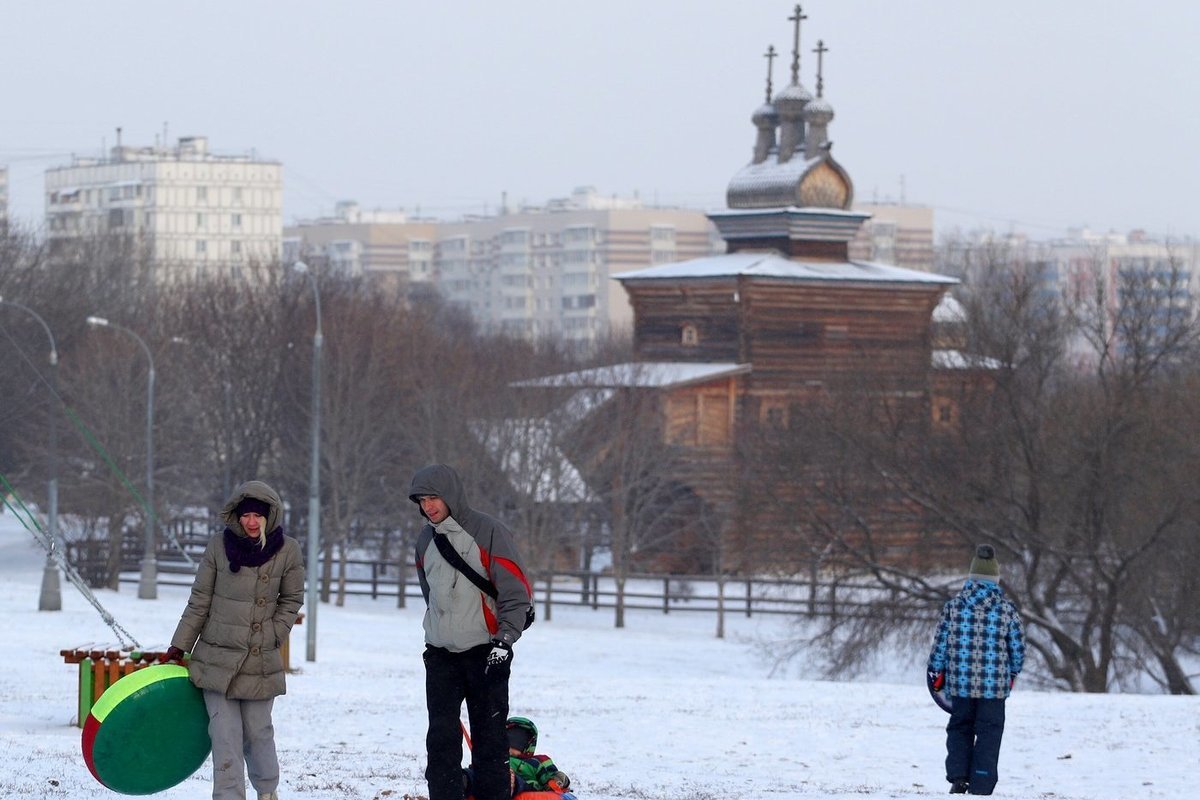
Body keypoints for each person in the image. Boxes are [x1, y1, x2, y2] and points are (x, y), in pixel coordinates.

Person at [161, 480, 305, 800]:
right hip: (216, 658)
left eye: (258, 515)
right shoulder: (218, 546)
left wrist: (273, 634)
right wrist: (179, 645)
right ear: (236, 516)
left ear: (270, 516)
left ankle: (267, 791)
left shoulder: (288, 550)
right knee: (224, 736)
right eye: (245, 515)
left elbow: (292, 599)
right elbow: (200, 599)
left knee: (258, 733)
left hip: (259, 658)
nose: (251, 522)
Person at [409, 464, 533, 800]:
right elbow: (431, 595)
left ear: (451, 495)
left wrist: (505, 641)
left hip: (486, 653)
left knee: (490, 742)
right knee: (441, 742)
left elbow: (516, 593)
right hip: (441, 656)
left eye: (434, 497)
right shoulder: (425, 540)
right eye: (422, 500)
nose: (428, 506)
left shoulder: (489, 531)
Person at [927, 544, 1025, 796]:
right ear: (996, 579)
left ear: (970, 577)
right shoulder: (1007, 610)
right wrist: (1012, 672)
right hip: (994, 687)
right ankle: (982, 783)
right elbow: (1017, 649)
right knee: (989, 732)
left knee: (960, 727)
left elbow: (940, 645)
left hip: (960, 684)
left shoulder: (953, 607)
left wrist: (935, 671)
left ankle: (959, 778)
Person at [464, 716, 572, 798]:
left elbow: (550, 775)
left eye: (518, 742)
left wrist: (557, 779)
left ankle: (508, 783)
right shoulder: (495, 757)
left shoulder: (537, 761)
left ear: (527, 745)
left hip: (522, 786)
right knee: (478, 774)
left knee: (506, 778)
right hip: (489, 780)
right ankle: (461, 780)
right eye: (509, 740)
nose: (512, 747)